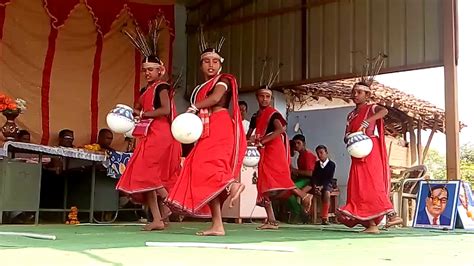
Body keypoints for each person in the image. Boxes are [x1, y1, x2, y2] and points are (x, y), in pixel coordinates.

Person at [166, 34, 246, 236]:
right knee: (197, 169)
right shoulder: (200, 87)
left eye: (215, 61)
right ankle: (217, 225)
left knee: (208, 167)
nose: (211, 65)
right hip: (204, 130)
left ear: (221, 64)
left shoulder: (223, 80)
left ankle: (233, 183)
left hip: (219, 126)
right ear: (201, 65)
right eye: (206, 61)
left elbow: (217, 98)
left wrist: (193, 107)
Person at [117, 20, 182, 231]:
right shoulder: (145, 90)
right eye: (145, 70)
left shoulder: (162, 87)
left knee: (148, 173)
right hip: (146, 134)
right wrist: (133, 114)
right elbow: (137, 109)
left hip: (160, 134)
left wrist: (144, 113)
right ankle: (157, 219)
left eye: (152, 70)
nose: (147, 73)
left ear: (160, 71)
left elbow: (165, 110)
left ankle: (173, 200)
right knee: (147, 178)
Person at [336, 80, 402, 233]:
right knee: (359, 188)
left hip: (370, 151)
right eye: (354, 92)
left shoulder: (372, 108)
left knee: (372, 184)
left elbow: (384, 111)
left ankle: (392, 215)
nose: (355, 95)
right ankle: (372, 225)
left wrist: (367, 122)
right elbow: (346, 135)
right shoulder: (351, 115)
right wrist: (350, 138)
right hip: (356, 153)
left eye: (359, 92)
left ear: (367, 95)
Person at [248, 86, 313, 230]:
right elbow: (250, 134)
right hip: (263, 151)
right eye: (262, 96)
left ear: (270, 99)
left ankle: (304, 196)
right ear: (257, 97)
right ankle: (271, 220)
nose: (264, 99)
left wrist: (262, 140)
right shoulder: (255, 116)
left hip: (274, 149)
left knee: (279, 178)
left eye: (267, 96)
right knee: (264, 184)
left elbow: (280, 129)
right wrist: (247, 142)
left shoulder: (273, 114)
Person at [287, 134, 317, 223]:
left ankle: (297, 213)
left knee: (289, 189)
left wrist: (295, 171)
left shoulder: (308, 155)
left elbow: (311, 173)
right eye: (295, 143)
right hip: (302, 179)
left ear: (304, 144)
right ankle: (301, 213)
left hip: (310, 181)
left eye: (298, 143)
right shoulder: (300, 155)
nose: (296, 145)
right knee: (286, 191)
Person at [310, 145, 336, 225]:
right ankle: (308, 215)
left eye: (321, 152)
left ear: (326, 153)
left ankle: (324, 217)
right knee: (308, 190)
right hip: (318, 184)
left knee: (326, 193)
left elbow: (329, 178)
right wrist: (315, 185)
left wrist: (322, 187)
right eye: (318, 153)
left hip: (327, 184)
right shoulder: (317, 164)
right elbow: (314, 176)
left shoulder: (332, 164)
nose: (319, 155)